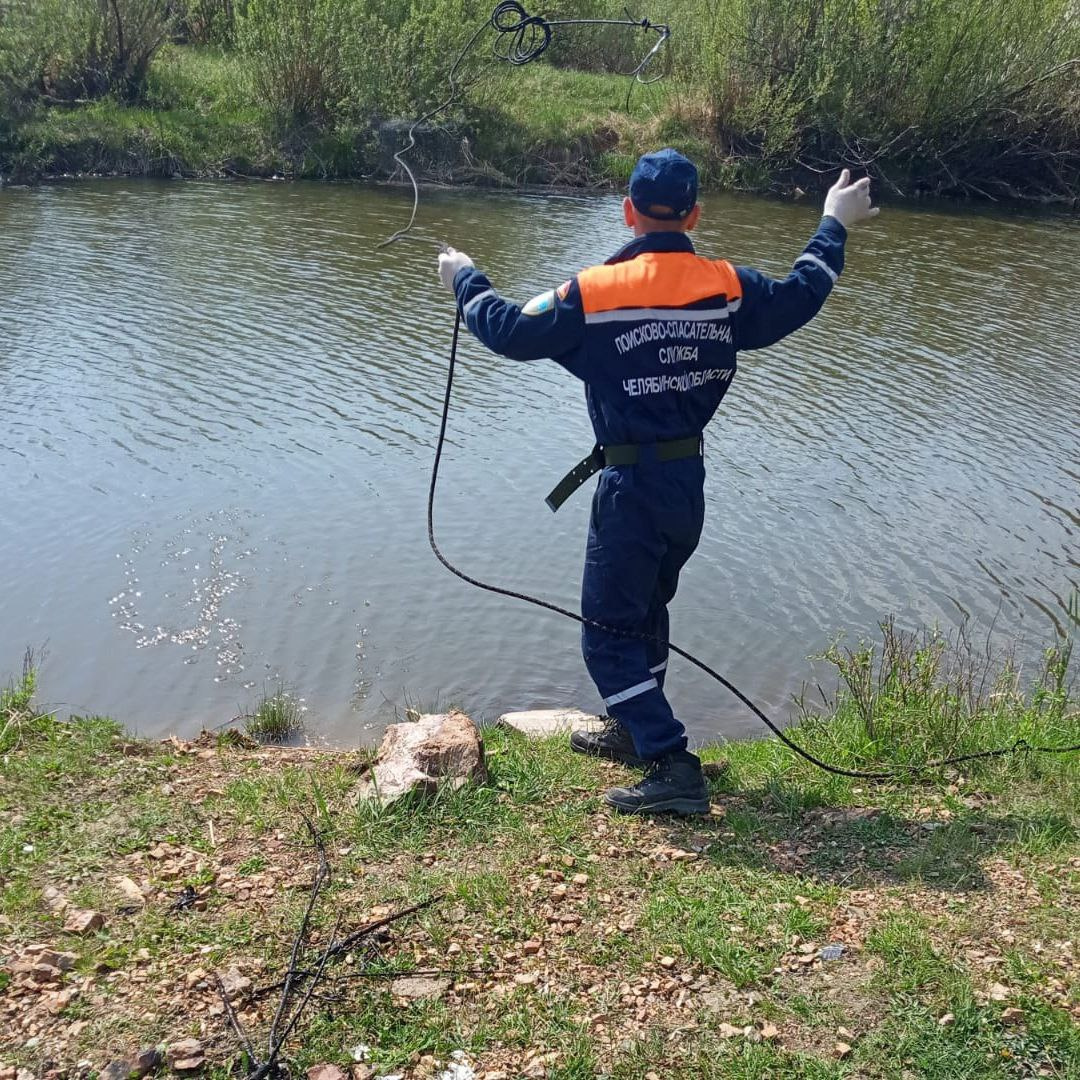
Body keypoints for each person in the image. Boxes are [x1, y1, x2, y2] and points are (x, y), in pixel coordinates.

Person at [437, 149, 878, 815]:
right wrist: (833, 222)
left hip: (631, 491)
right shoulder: (727, 287)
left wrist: (465, 277)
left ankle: (670, 762)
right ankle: (630, 730)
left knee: (606, 633)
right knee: (646, 612)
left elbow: (506, 331)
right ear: (696, 214)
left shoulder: (595, 292)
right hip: (686, 485)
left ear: (628, 213)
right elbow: (801, 295)